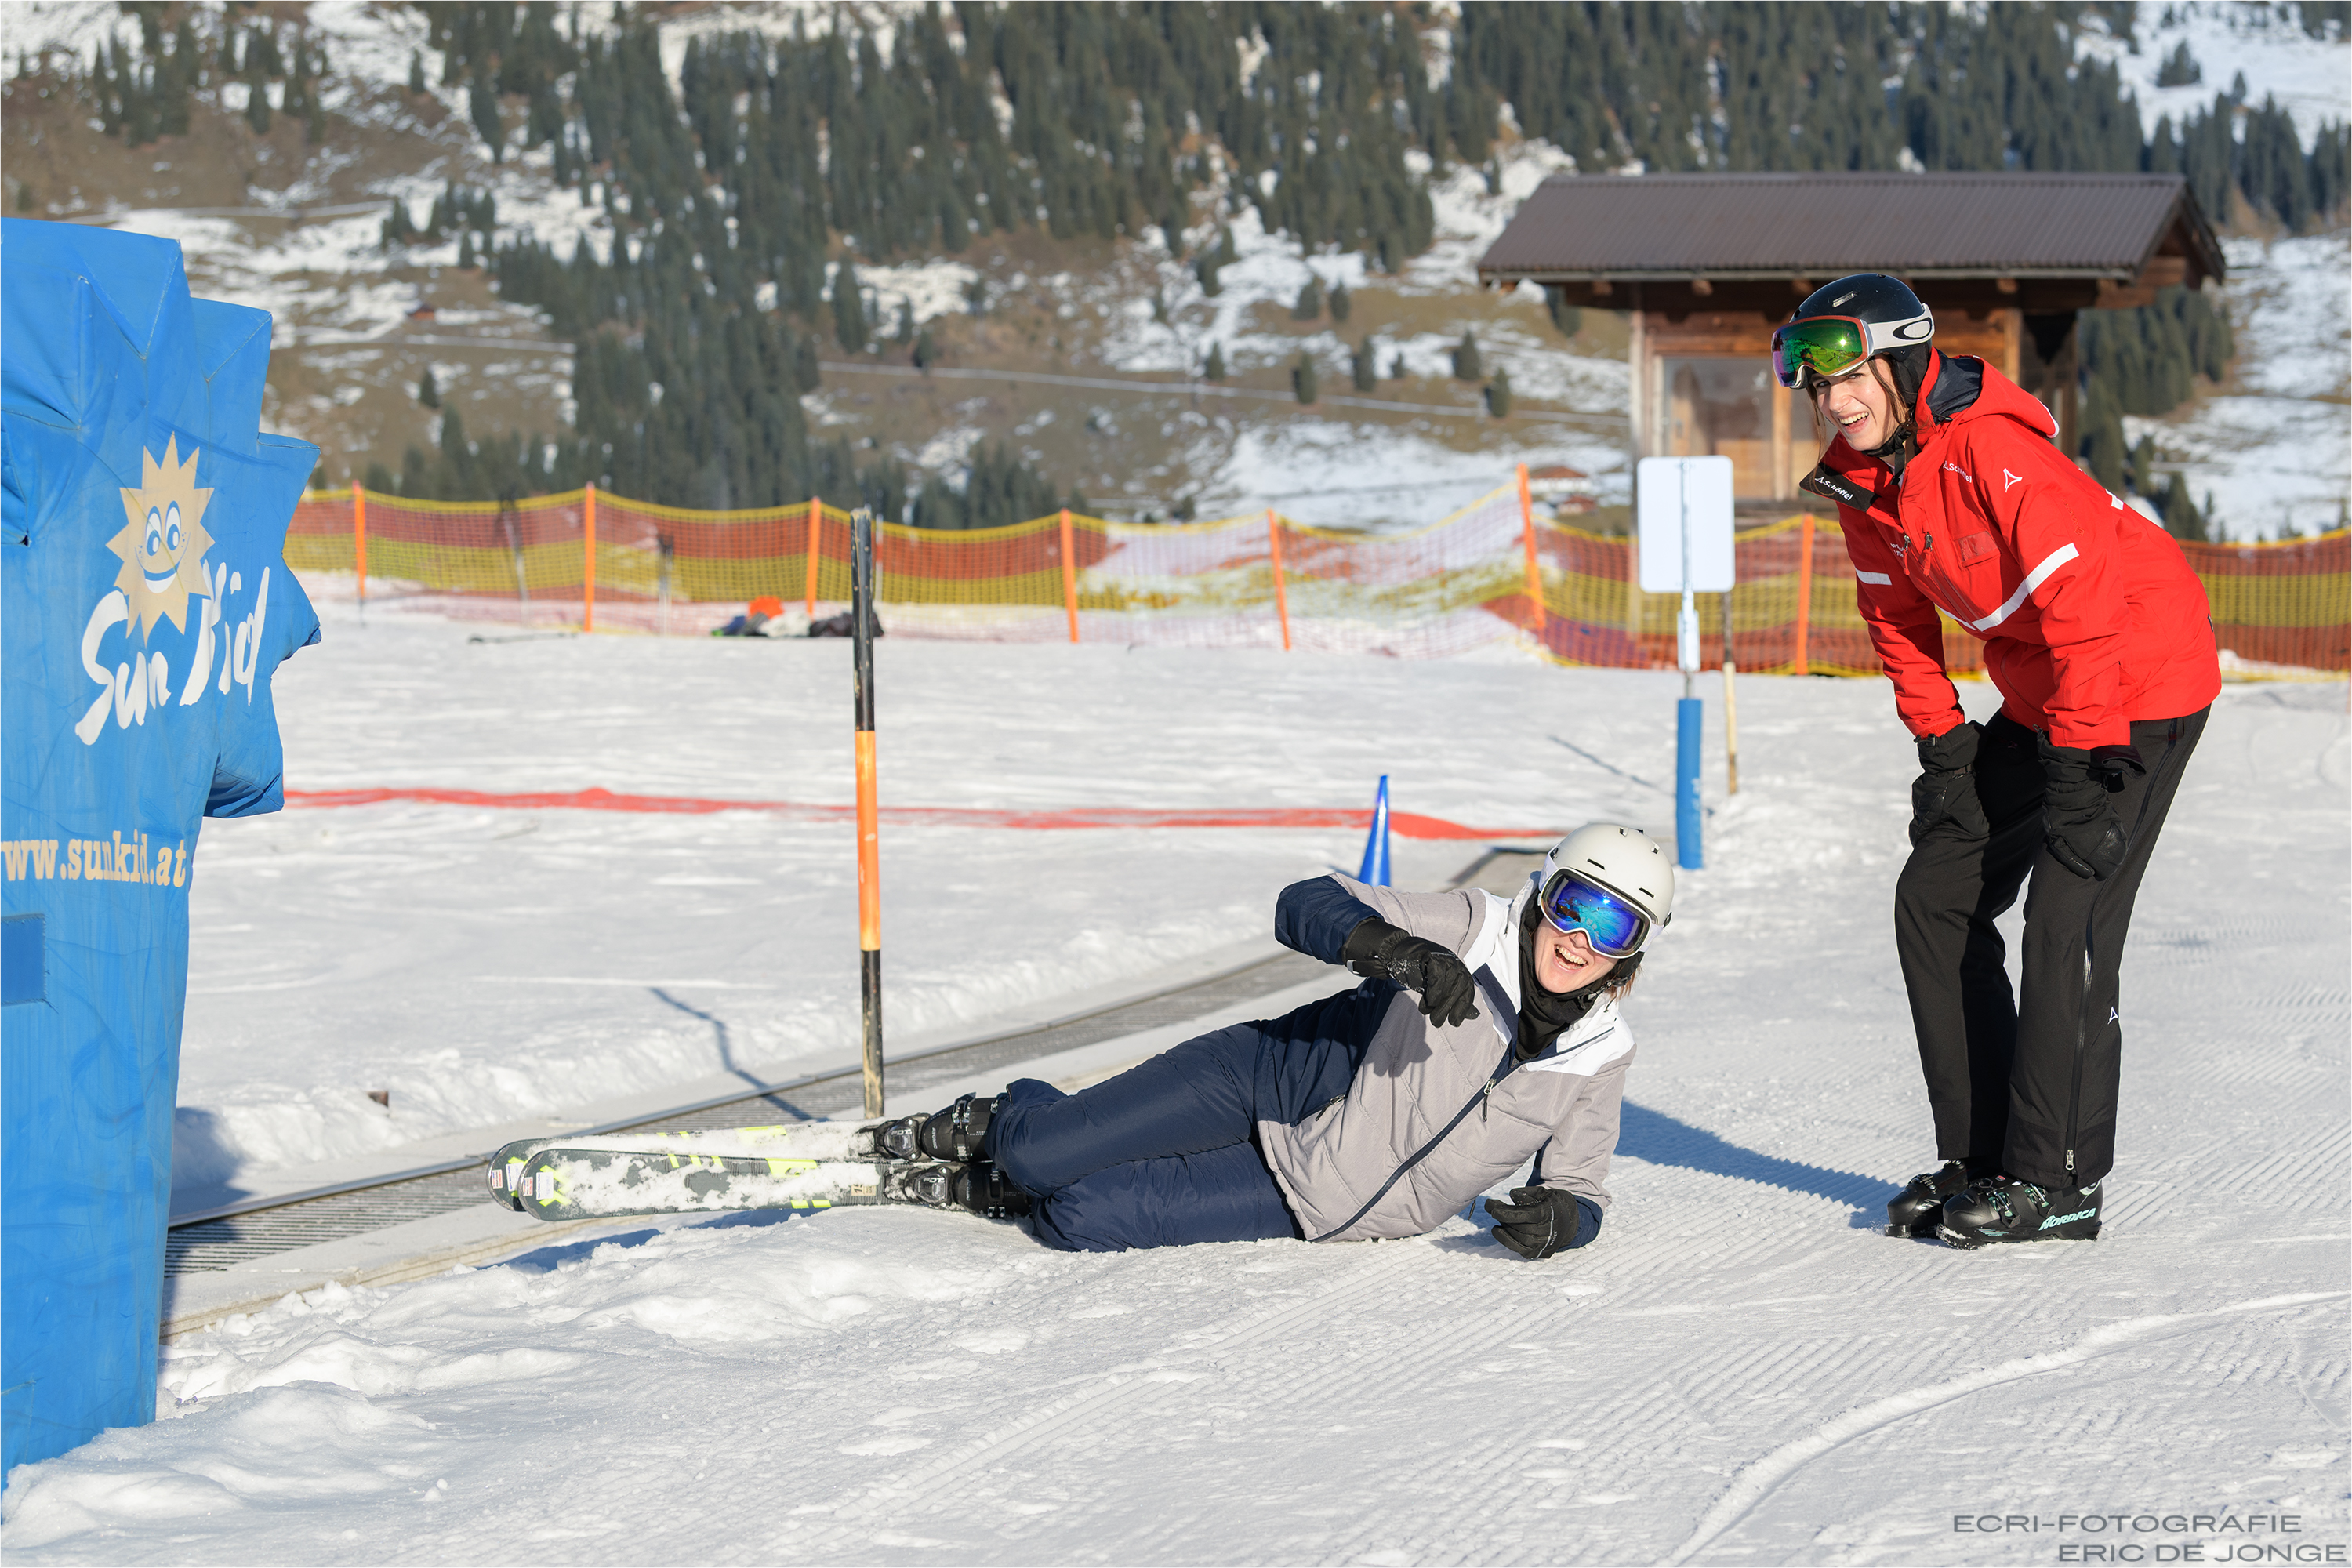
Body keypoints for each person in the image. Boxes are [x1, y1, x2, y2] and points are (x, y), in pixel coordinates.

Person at [1773, 274, 2220, 1248]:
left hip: (2135, 686)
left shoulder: (1992, 451)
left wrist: (2081, 774)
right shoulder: (1865, 483)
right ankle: (1985, 1154)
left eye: (1848, 375)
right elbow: (1897, 624)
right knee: (1936, 892)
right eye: (1815, 385)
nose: (1833, 401)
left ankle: (2059, 1178)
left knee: (2069, 909)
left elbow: (2089, 614)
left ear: (1899, 362)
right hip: (2044, 693)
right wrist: (1944, 754)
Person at [877, 824, 1675, 1258]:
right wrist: (1394, 948)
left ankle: (1025, 1174)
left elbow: (1582, 1183)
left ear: (1630, 952)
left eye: (1614, 925)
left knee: (1079, 1215)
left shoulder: (1602, 1053)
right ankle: (1005, 1122)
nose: (1580, 938)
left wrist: (1563, 1220)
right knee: (1044, 1156)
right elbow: (1306, 902)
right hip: (1264, 1078)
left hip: (1315, 1199)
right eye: (1575, 903)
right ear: (1544, 894)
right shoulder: (1475, 931)